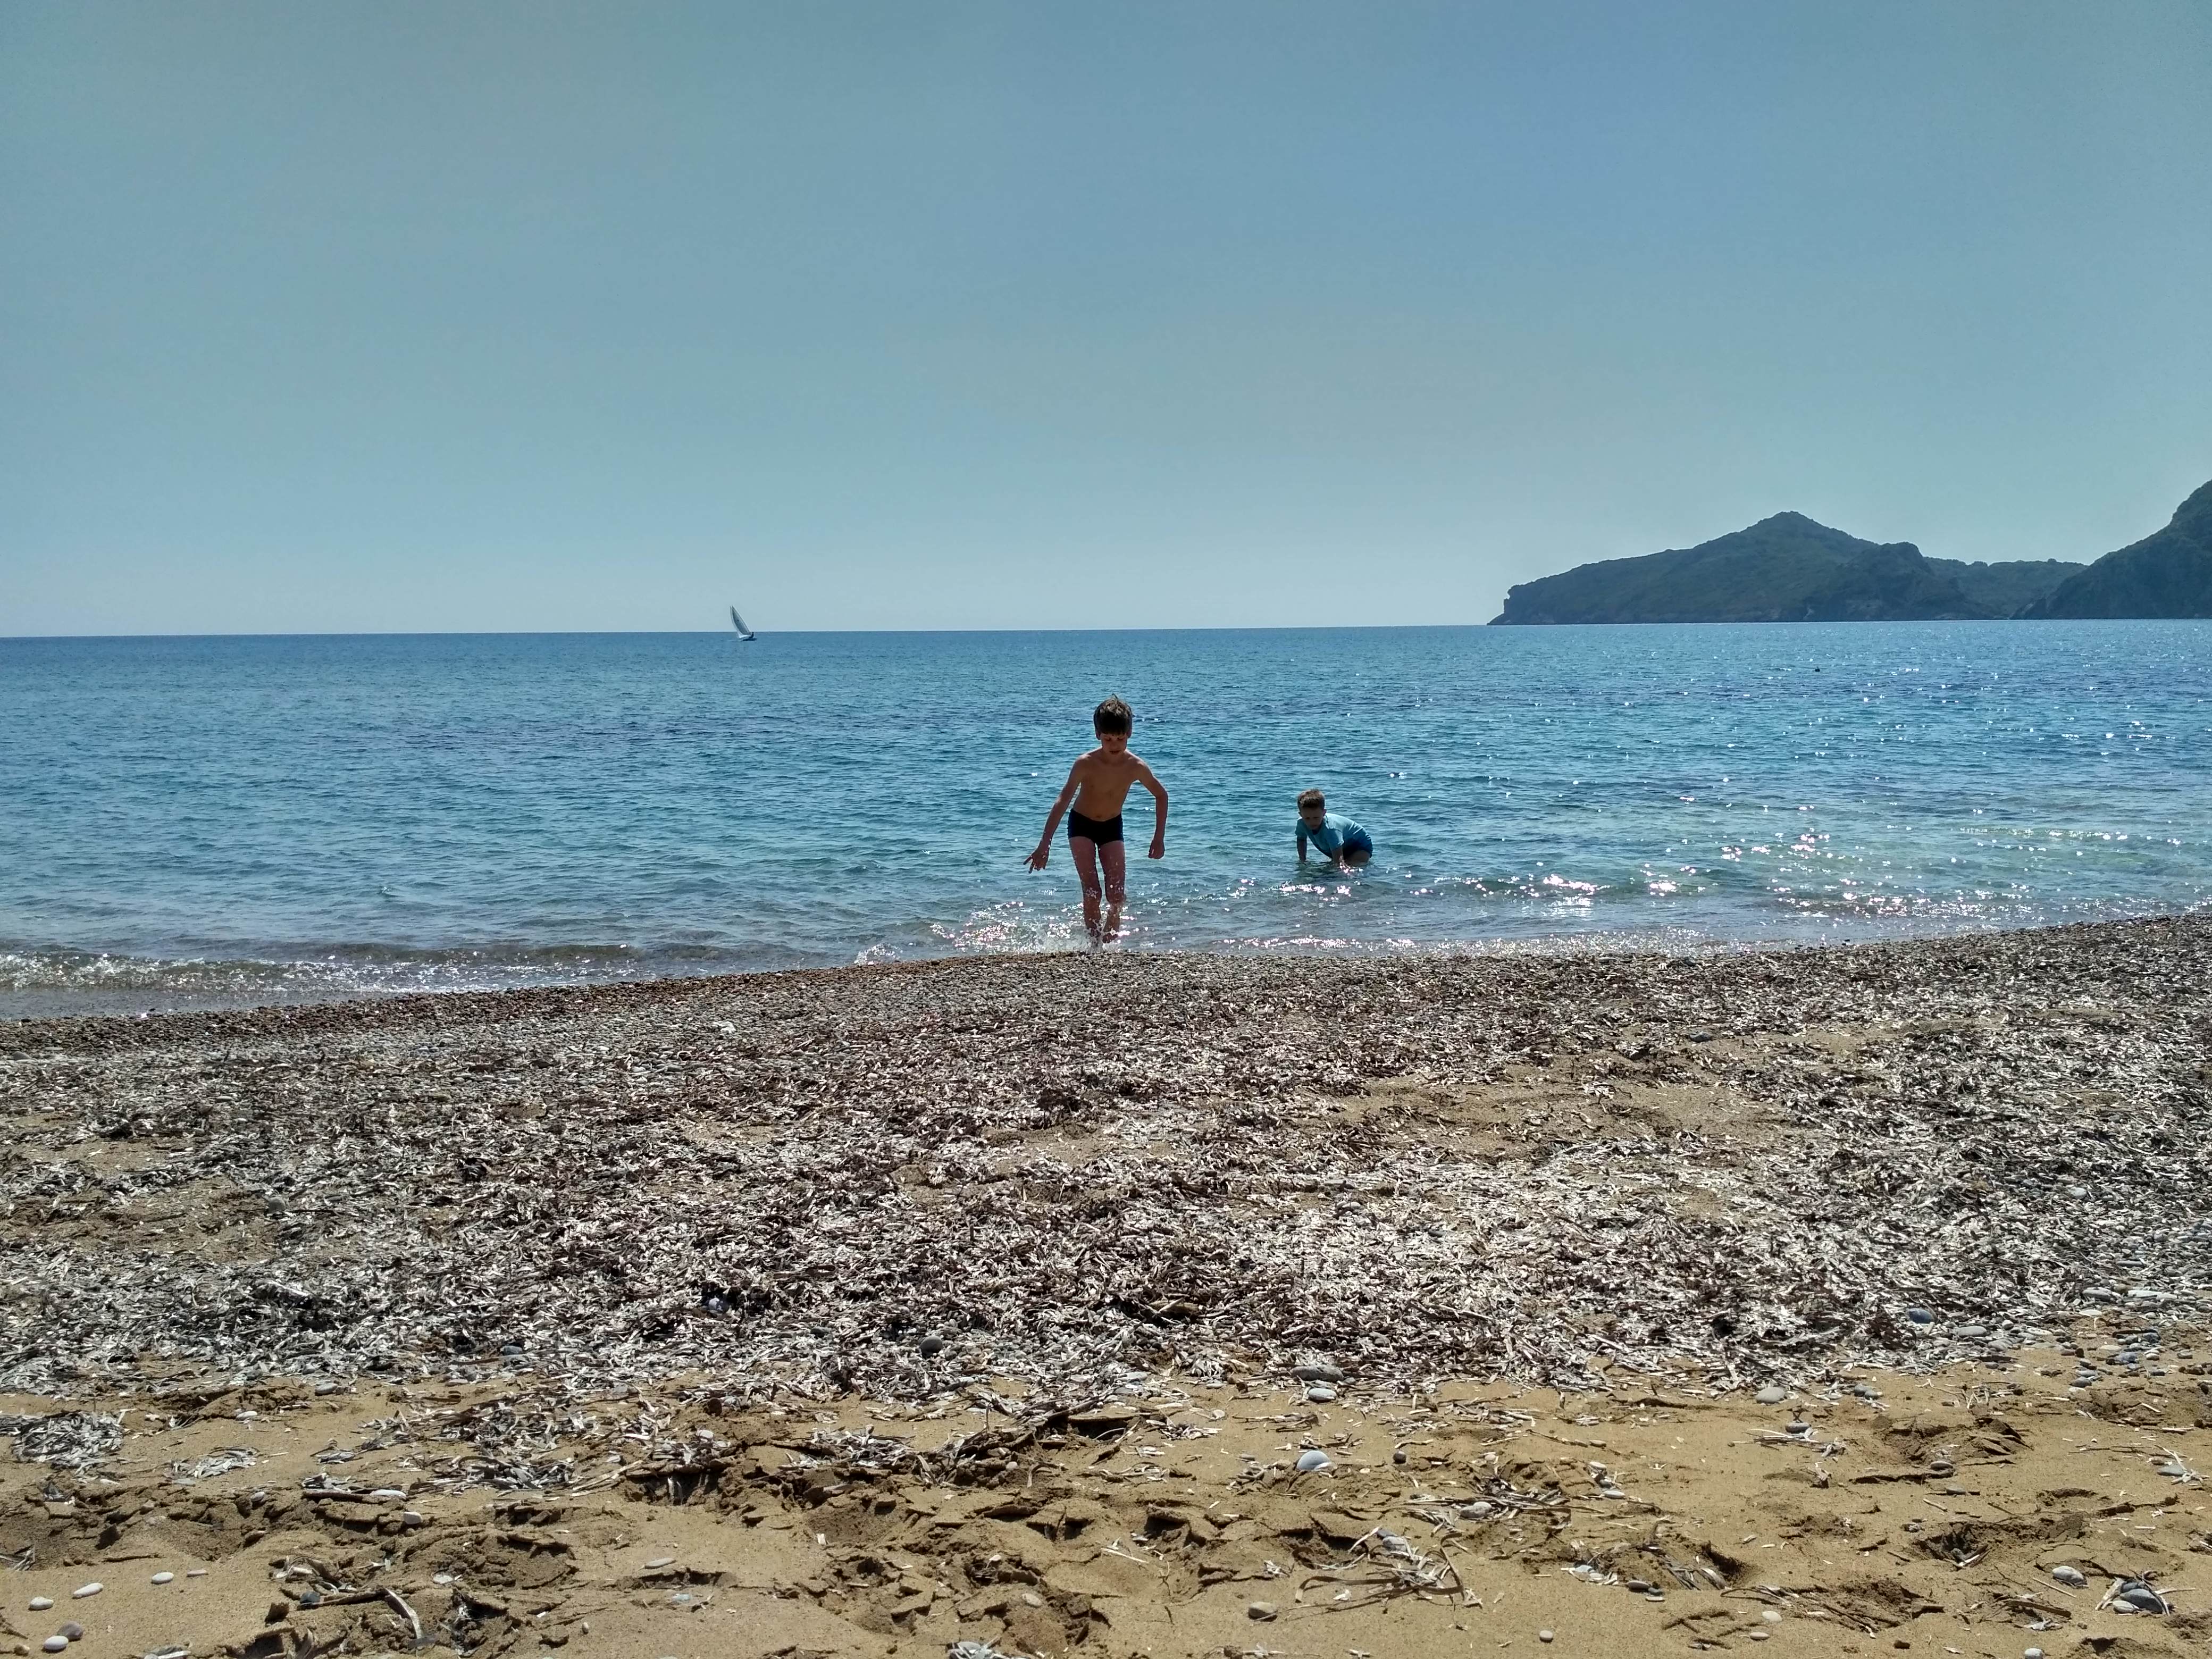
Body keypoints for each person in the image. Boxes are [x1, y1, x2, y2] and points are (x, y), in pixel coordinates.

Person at [1026, 697, 1168, 943]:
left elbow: (1161, 795)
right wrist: (1044, 844)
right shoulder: (1086, 763)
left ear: (1130, 733)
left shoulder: (1135, 766)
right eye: (1108, 739)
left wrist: (1158, 838)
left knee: (1117, 895)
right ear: (1097, 735)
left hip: (1112, 827)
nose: (1114, 745)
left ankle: (1112, 928)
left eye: (1120, 739)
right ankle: (1095, 947)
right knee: (1092, 891)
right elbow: (1062, 801)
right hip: (1081, 824)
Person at [1295, 788, 1372, 867]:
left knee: (1348, 868)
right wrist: (1303, 861)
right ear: (1301, 815)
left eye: (1316, 818)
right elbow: (1301, 840)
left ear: (1324, 813)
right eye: (1307, 818)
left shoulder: (1331, 829)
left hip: (1359, 845)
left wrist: (1339, 866)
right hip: (1339, 846)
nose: (1312, 822)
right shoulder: (1301, 823)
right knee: (1330, 870)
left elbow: (1339, 862)